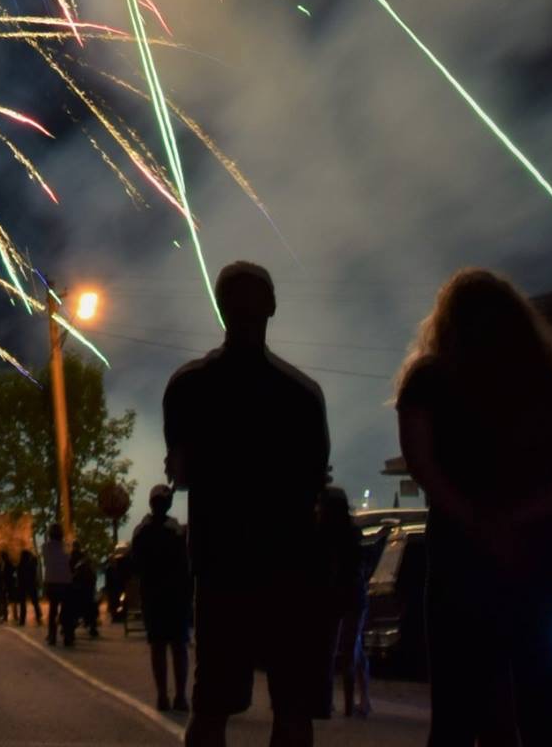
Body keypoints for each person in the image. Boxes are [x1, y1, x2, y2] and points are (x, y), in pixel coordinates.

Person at [395, 267, 552, 747]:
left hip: (464, 561)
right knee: (549, 706)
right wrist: (522, 520)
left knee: (459, 710)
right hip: (549, 556)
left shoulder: (429, 377)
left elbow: (421, 464)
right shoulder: (549, 381)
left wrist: (478, 522)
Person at [164, 259, 329, 747]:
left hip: (221, 566)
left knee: (212, 706)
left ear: (221, 309)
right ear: (272, 307)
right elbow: (314, 479)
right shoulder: (302, 394)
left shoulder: (189, 386)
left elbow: (183, 474)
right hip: (288, 568)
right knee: (292, 709)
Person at [129, 485, 192, 714]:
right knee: (178, 646)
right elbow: (187, 564)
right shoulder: (176, 530)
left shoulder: (141, 531)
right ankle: (180, 697)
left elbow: (134, 565)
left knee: (159, 646)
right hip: (175, 596)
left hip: (154, 595)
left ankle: (163, 696)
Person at [314, 487, 371, 720]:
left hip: (335, 596)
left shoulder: (322, 533)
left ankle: (329, 704)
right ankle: (355, 703)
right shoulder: (352, 533)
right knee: (350, 650)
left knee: (331, 651)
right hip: (352, 596)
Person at [41, 522, 74, 647]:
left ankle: (52, 635)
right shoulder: (66, 547)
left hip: (51, 581)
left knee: (53, 609)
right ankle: (67, 635)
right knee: (66, 610)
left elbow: (46, 561)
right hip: (66, 581)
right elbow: (69, 560)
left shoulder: (45, 547)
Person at [13, 541, 40, 627]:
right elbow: (35, 565)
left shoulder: (20, 565)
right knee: (34, 602)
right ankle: (38, 616)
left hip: (22, 586)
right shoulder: (31, 565)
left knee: (23, 603)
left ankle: (22, 620)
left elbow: (17, 575)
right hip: (31, 585)